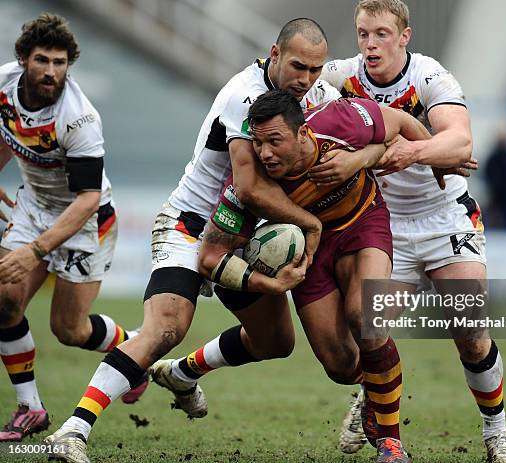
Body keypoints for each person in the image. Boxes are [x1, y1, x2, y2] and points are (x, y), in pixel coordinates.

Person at [44, 19, 341, 463]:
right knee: (166, 328)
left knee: (276, 343)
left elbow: (364, 127)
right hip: (192, 225)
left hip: (248, 236)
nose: (307, 79)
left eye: (317, 70)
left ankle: (182, 374)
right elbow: (249, 189)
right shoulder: (242, 95)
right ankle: (72, 431)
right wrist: (311, 226)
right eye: (299, 66)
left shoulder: (318, 97)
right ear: (275, 54)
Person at [149, 89, 435, 463]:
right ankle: (374, 388)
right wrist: (270, 284)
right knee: (340, 365)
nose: (265, 153)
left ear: (303, 134)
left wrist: (423, 160)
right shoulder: (248, 186)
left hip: (362, 224)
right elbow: (210, 260)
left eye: (275, 141)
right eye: (258, 143)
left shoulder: (339, 121)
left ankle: (390, 444)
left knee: (366, 317)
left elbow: (401, 123)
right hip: (309, 256)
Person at [318, 1, 506, 462]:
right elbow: (292, 93)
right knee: (371, 330)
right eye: (363, 33)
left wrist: (410, 152)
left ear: (404, 37)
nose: (370, 44)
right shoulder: (339, 78)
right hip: (385, 221)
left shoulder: (431, 77)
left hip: (445, 214)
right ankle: (375, 404)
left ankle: (496, 433)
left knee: (468, 328)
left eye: (382, 34)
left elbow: (461, 142)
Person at [0, 14, 145, 442]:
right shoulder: (4, 87)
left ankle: (134, 348)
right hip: (34, 207)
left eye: (60, 62)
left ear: (69, 65)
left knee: (70, 329)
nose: (51, 71)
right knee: (5, 305)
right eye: (42, 60)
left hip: (87, 220)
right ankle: (31, 408)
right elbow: (7, 132)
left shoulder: (79, 118)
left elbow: (85, 198)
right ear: (23, 59)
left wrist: (33, 251)